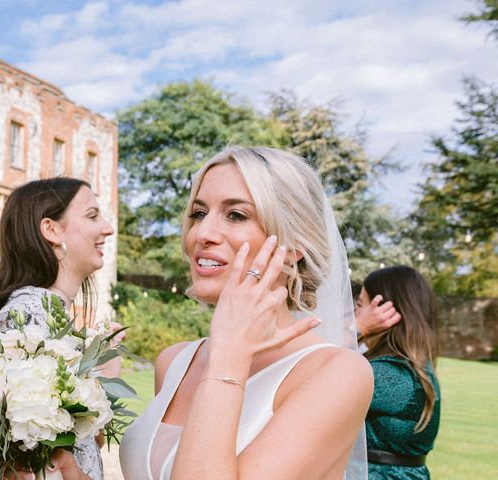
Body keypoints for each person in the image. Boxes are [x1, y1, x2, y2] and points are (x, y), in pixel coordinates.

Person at [119, 146, 373, 480]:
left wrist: (228, 359)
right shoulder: (174, 362)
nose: (202, 234)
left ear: (295, 245)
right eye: (198, 214)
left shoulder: (336, 373)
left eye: (236, 215)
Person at [0, 177, 114, 480]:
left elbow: (79, 441)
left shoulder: (50, 313)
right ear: (51, 230)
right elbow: (33, 464)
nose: (107, 228)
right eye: (92, 215)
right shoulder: (28, 317)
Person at [358, 265, 440, 480]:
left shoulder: (391, 373)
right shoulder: (407, 366)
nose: (356, 313)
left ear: (385, 312)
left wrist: (357, 329)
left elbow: (313, 379)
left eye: (359, 305)